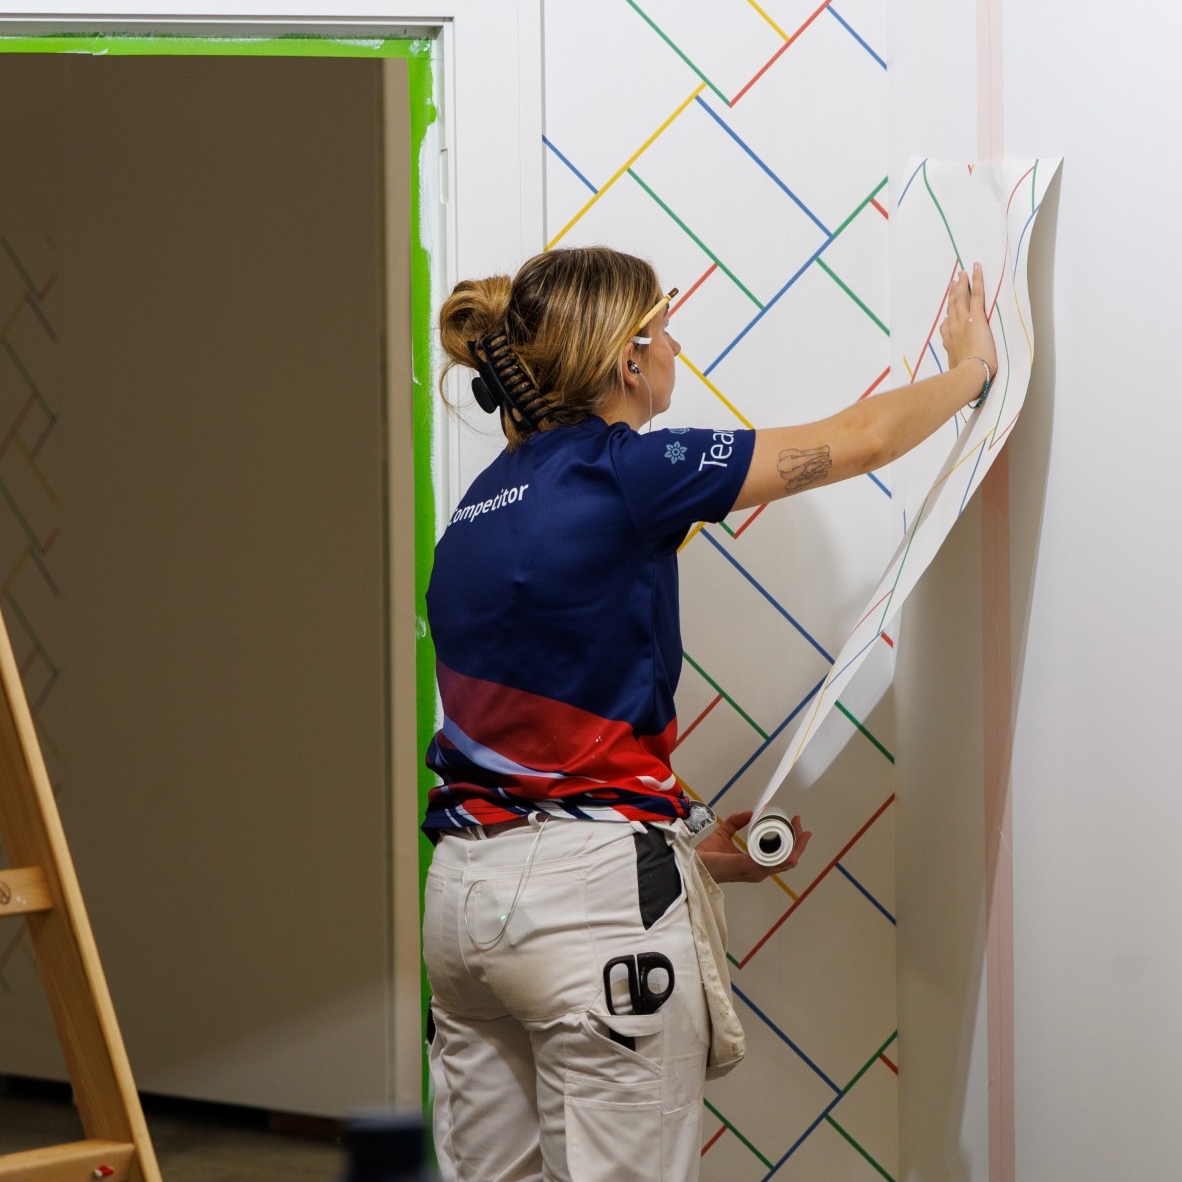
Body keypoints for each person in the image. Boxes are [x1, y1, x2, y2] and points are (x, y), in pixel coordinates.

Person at [421, 246, 996, 1181]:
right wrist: (974, 368)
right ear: (630, 356)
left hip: (461, 909)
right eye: (666, 322)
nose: (679, 341)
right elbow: (863, 440)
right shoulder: (625, 474)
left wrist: (684, 842)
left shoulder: (477, 509)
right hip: (586, 917)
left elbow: (543, 749)